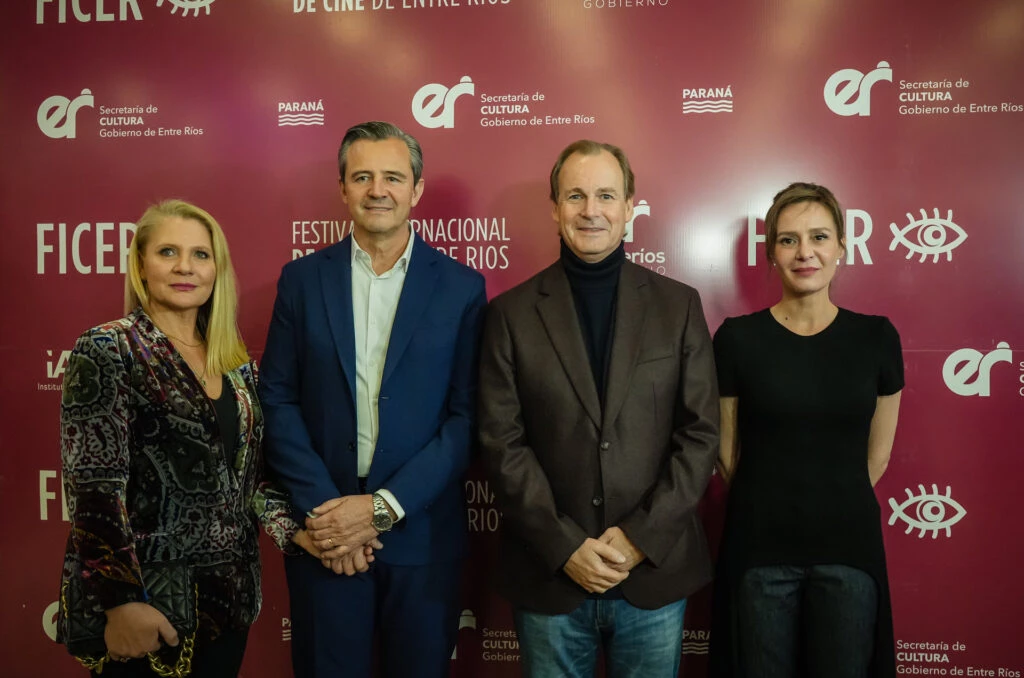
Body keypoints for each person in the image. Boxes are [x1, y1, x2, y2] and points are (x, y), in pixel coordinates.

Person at [478, 139, 720, 678]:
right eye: (576, 196)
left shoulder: (679, 306)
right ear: (554, 206)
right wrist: (565, 546)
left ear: (631, 206)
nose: (591, 211)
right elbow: (501, 442)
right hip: (550, 578)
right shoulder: (510, 315)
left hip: (653, 575)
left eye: (606, 195)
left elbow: (701, 434)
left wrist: (639, 539)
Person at [259, 120, 487, 678]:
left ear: (417, 189)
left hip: (422, 535)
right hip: (325, 535)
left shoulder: (462, 287)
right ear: (342, 188)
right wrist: (327, 513)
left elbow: (466, 417)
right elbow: (278, 400)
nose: (377, 189)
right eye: (362, 176)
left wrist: (382, 508)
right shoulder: (301, 280)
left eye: (392, 176)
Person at [57, 199, 310, 678]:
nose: (184, 267)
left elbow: (250, 484)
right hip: (148, 609)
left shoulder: (237, 364)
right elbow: (94, 490)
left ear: (218, 269)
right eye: (168, 252)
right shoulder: (109, 349)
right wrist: (121, 603)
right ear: (141, 266)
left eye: (200, 254)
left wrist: (298, 533)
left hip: (227, 605)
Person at [709, 182, 903, 678]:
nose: (805, 252)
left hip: (848, 552)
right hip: (759, 553)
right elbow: (727, 454)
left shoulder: (876, 338)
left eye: (819, 236)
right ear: (771, 253)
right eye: (788, 239)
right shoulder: (737, 339)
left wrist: (827, 501)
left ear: (842, 245)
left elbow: (876, 458)